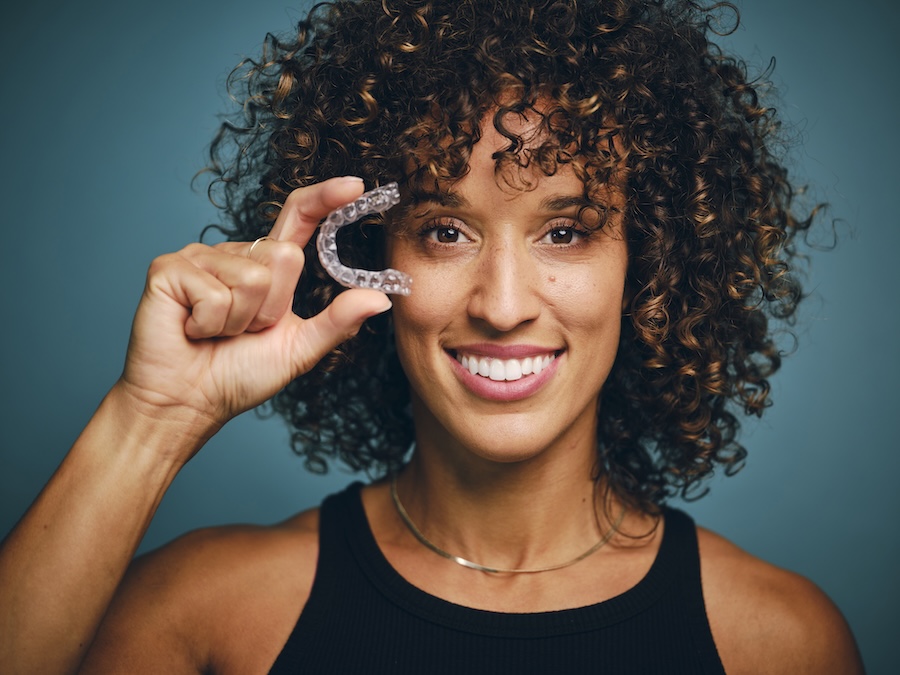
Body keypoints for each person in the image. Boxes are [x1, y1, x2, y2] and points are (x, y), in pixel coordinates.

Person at [0, 0, 864, 672]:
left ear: (655, 262)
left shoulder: (778, 642)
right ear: (369, 251)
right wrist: (151, 419)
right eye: (446, 230)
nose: (502, 303)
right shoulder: (209, 614)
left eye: (566, 230)